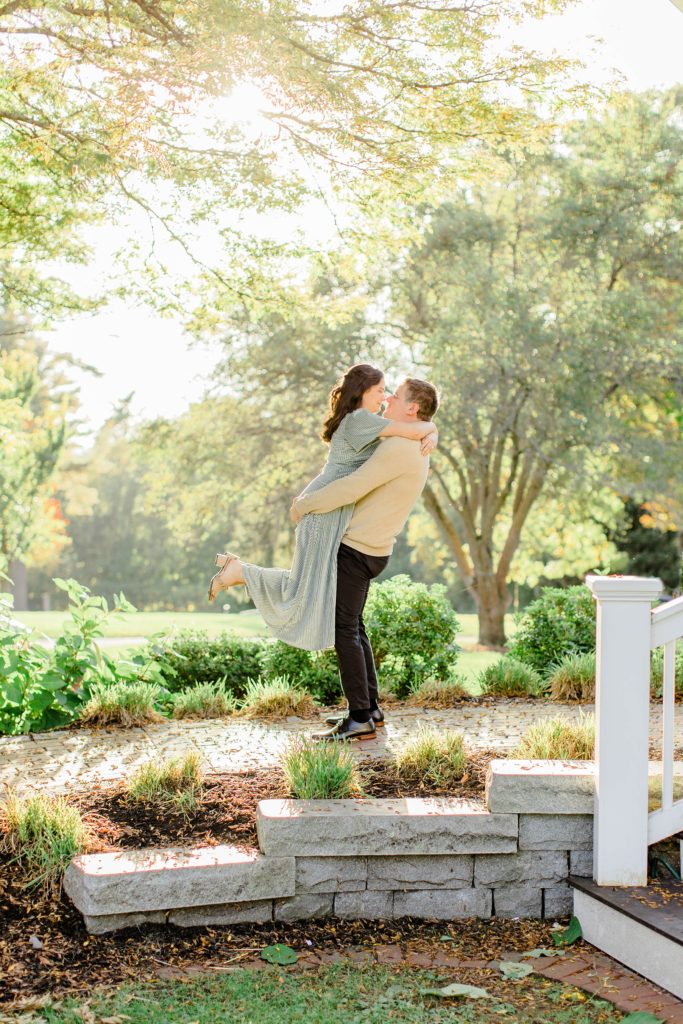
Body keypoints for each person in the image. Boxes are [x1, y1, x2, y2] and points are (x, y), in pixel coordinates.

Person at [207, 365, 437, 663]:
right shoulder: (359, 420)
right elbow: (413, 428)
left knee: (308, 586)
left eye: (388, 392)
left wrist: (432, 429)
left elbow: (411, 427)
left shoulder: (368, 422)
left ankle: (239, 572)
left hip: (328, 510)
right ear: (363, 393)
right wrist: (432, 429)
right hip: (322, 509)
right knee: (305, 589)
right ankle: (238, 573)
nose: (387, 397)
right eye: (381, 390)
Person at [289, 377, 439, 740]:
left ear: (412, 409)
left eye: (396, 395)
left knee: (345, 631)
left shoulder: (398, 449)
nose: (388, 398)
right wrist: (431, 429)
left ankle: (359, 719)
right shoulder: (413, 444)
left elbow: (351, 487)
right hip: (375, 548)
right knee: (355, 627)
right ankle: (370, 709)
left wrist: (304, 505)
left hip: (357, 549)